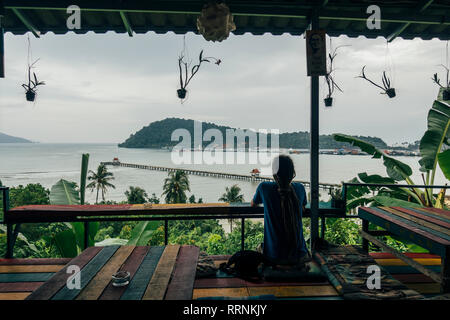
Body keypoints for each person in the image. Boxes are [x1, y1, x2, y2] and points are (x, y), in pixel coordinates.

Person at [251, 155, 309, 267]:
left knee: (259, 248)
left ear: (274, 173)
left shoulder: (264, 187)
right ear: (292, 173)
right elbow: (302, 208)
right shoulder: (300, 188)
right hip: (299, 256)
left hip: (274, 257)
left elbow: (253, 204)